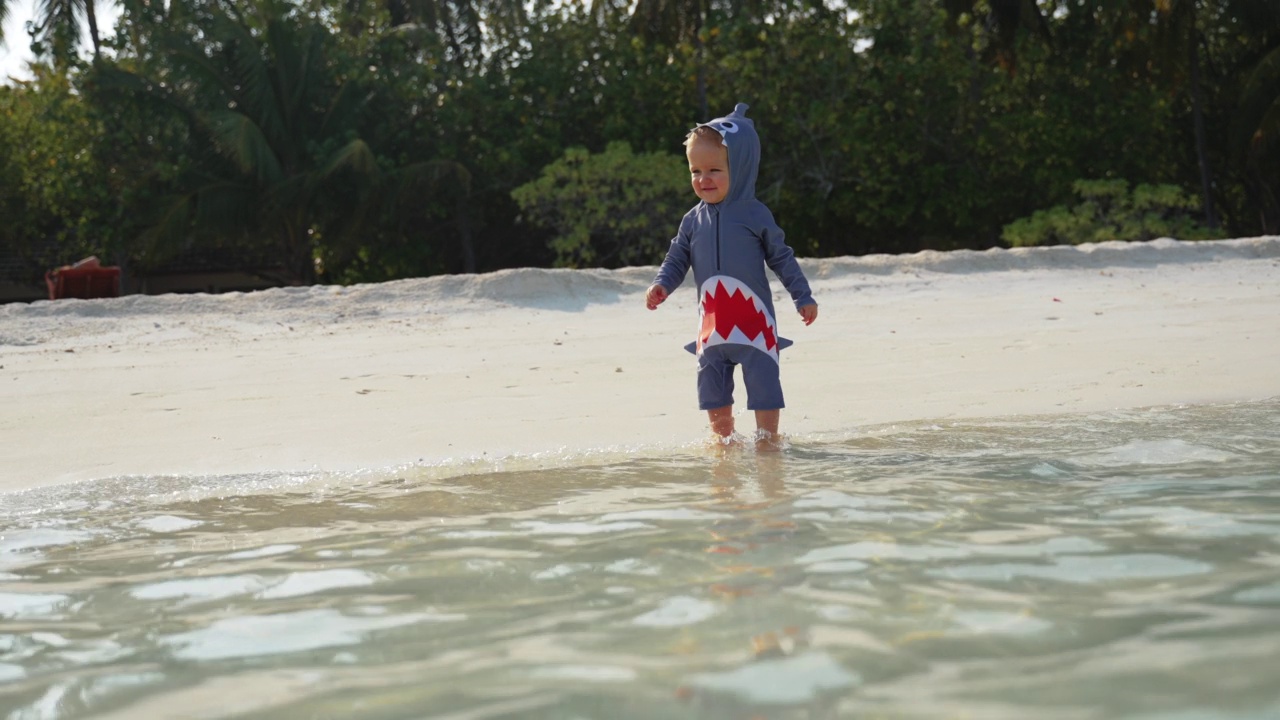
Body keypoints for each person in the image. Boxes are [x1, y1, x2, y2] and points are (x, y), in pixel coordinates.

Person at [645, 102, 819, 448]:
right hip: (712, 327)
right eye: (695, 171)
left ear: (739, 167)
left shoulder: (755, 214)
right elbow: (677, 257)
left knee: (764, 381)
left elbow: (782, 258)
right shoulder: (692, 220)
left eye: (714, 170)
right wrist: (662, 284)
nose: (703, 179)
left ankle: (768, 440)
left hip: (755, 327)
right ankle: (723, 442)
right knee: (711, 384)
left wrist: (803, 296)